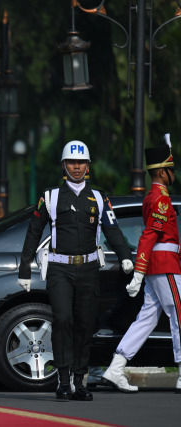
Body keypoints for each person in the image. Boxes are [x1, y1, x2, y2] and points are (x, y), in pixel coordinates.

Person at [18, 140, 134, 401]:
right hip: (60, 268)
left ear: (88, 165)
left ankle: (80, 382)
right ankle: (62, 380)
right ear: (63, 165)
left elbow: (113, 230)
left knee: (84, 325)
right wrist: (24, 267)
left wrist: (127, 256)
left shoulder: (99, 197)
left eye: (81, 162)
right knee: (62, 319)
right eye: (72, 162)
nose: (77, 167)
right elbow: (33, 232)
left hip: (90, 269)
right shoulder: (49, 197)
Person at [102, 134, 181, 394]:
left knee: (146, 319)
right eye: (170, 170)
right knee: (179, 316)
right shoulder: (160, 199)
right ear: (161, 173)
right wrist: (139, 271)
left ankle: (116, 367)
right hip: (165, 265)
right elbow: (149, 236)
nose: (174, 174)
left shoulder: (156, 197)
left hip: (159, 266)